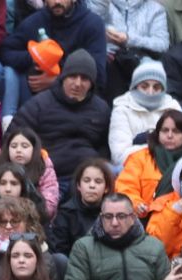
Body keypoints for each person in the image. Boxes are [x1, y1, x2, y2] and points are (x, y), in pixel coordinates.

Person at [63, 192, 168, 280]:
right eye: (108, 217)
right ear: (101, 218)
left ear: (133, 217)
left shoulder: (154, 247)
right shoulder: (84, 247)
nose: (114, 223)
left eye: (121, 216)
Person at [12, 49, 112, 184]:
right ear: (63, 77)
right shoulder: (39, 104)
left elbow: (105, 147)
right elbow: (13, 137)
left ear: (92, 84)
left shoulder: (101, 109)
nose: (77, 83)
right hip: (47, 177)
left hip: (87, 181)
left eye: (84, 79)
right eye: (72, 76)